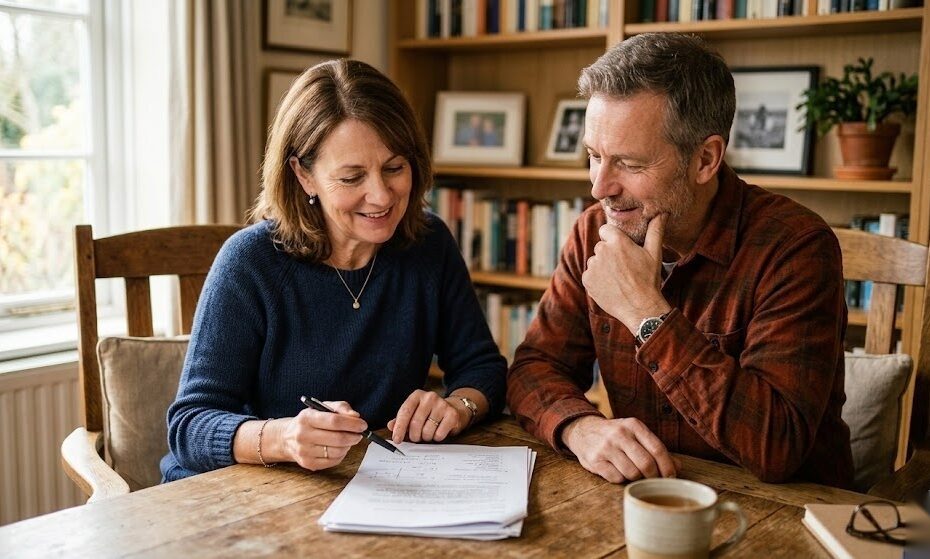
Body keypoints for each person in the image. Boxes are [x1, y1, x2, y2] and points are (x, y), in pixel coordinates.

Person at [506, 33, 854, 489]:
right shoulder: (593, 232)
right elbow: (533, 370)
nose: (599, 187)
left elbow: (777, 447)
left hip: (791, 512)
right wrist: (580, 427)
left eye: (628, 164)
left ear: (705, 158)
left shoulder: (796, 247)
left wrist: (645, 313)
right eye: (594, 156)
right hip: (647, 496)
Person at [161, 59, 506, 481]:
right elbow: (189, 427)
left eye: (394, 168)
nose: (380, 196)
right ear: (303, 176)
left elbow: (483, 367)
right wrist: (283, 437)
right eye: (351, 177)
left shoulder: (428, 245)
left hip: (375, 483)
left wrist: (457, 407)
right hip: (247, 491)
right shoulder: (249, 262)